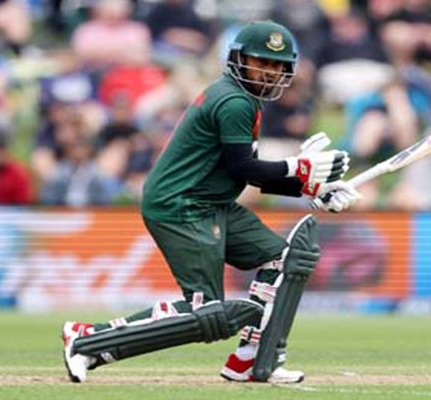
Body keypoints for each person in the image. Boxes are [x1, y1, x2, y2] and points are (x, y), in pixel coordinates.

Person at [61, 21, 360, 385]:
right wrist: (298, 169)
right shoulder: (234, 101)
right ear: (238, 60)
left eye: (277, 65)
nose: (269, 72)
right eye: (261, 62)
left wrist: (310, 189)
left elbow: (249, 174)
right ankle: (88, 340)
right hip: (181, 205)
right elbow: (244, 168)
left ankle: (253, 358)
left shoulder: (243, 99)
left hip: (211, 201)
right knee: (208, 313)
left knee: (285, 261)